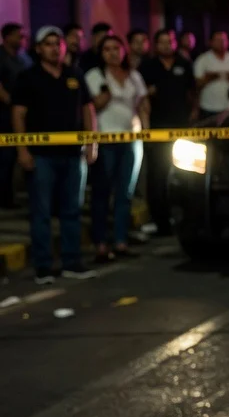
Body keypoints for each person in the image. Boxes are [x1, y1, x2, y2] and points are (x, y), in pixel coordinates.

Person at [13, 26, 98, 283]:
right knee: (41, 213)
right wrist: (22, 150)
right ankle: (43, 265)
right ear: (38, 49)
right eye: (48, 43)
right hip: (41, 156)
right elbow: (18, 114)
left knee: (72, 210)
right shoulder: (28, 77)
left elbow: (88, 110)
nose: (54, 47)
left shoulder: (75, 75)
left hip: (73, 155)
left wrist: (92, 143)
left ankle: (72, 261)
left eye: (57, 43)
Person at [85, 35, 148, 262]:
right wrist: (107, 93)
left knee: (125, 192)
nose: (112, 53)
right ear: (101, 54)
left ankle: (120, 240)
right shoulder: (95, 76)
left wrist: (146, 129)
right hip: (106, 139)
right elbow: (94, 106)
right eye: (107, 49)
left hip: (131, 140)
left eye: (116, 48)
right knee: (102, 192)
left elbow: (142, 105)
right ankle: (101, 243)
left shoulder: (134, 76)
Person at [140, 28, 195, 235]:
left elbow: (193, 92)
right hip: (157, 130)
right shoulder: (148, 66)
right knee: (158, 176)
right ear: (156, 45)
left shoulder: (184, 64)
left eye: (170, 41)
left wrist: (193, 115)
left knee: (186, 175)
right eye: (162, 42)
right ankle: (160, 221)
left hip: (183, 129)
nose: (167, 45)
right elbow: (141, 98)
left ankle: (187, 219)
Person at [0, 23, 29, 208]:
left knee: (12, 160)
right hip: (3, 115)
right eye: (19, 36)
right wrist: (12, 102)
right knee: (4, 158)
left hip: (21, 114)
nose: (22, 39)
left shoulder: (22, 58)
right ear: (8, 36)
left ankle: (10, 196)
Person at [192, 31, 229, 119]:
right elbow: (197, 83)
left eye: (223, 40)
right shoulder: (203, 59)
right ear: (210, 42)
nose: (221, 43)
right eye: (218, 40)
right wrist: (213, 76)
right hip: (208, 108)